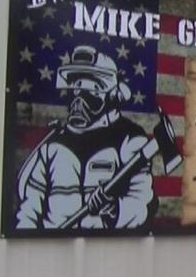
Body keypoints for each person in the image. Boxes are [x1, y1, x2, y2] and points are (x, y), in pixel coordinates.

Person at [15, 45, 156, 230]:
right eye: (76, 90)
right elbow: (30, 209)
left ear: (112, 96)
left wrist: (114, 210)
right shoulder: (52, 145)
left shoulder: (130, 140)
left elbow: (142, 203)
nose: (79, 102)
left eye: (92, 92)